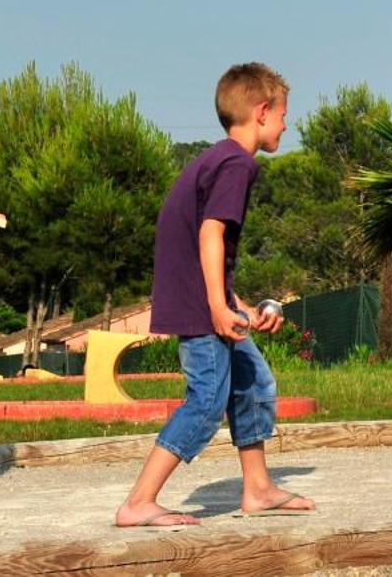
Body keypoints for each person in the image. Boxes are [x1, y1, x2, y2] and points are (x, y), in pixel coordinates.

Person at [114, 62, 314, 527]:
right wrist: (218, 307)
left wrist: (237, 305)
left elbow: (208, 249)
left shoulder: (217, 158)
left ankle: (258, 487)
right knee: (206, 399)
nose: (287, 124)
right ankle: (138, 501)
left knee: (253, 383)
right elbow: (210, 234)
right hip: (199, 306)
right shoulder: (237, 163)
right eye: (284, 114)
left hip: (204, 299)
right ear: (262, 112)